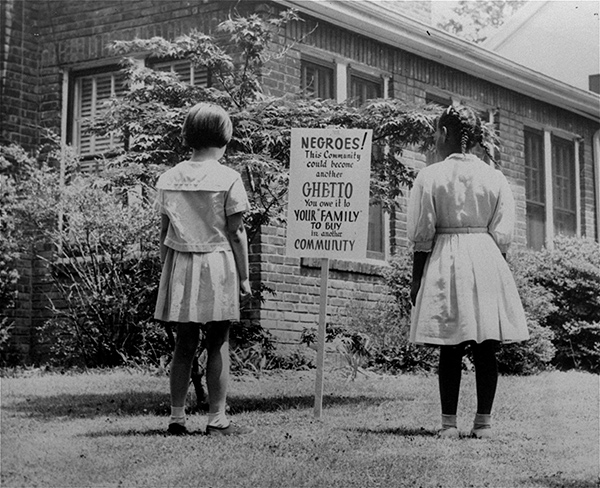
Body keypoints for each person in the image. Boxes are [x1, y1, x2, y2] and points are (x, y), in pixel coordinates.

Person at [407, 104, 529, 439]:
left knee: (451, 342)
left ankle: (449, 424)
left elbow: (423, 231)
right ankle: (483, 423)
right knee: (486, 343)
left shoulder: (430, 176)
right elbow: (504, 233)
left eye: (436, 133)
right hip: (487, 256)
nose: (435, 139)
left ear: (444, 133)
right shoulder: (495, 177)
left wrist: (416, 277)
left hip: (447, 257)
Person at [154, 102, 254, 436]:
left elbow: (164, 231)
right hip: (218, 263)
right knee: (218, 341)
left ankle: (177, 417)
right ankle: (216, 418)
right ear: (224, 137)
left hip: (181, 262)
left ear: (189, 136)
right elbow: (236, 231)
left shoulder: (169, 177)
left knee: (183, 342)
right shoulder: (228, 177)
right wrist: (244, 276)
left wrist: (164, 270)